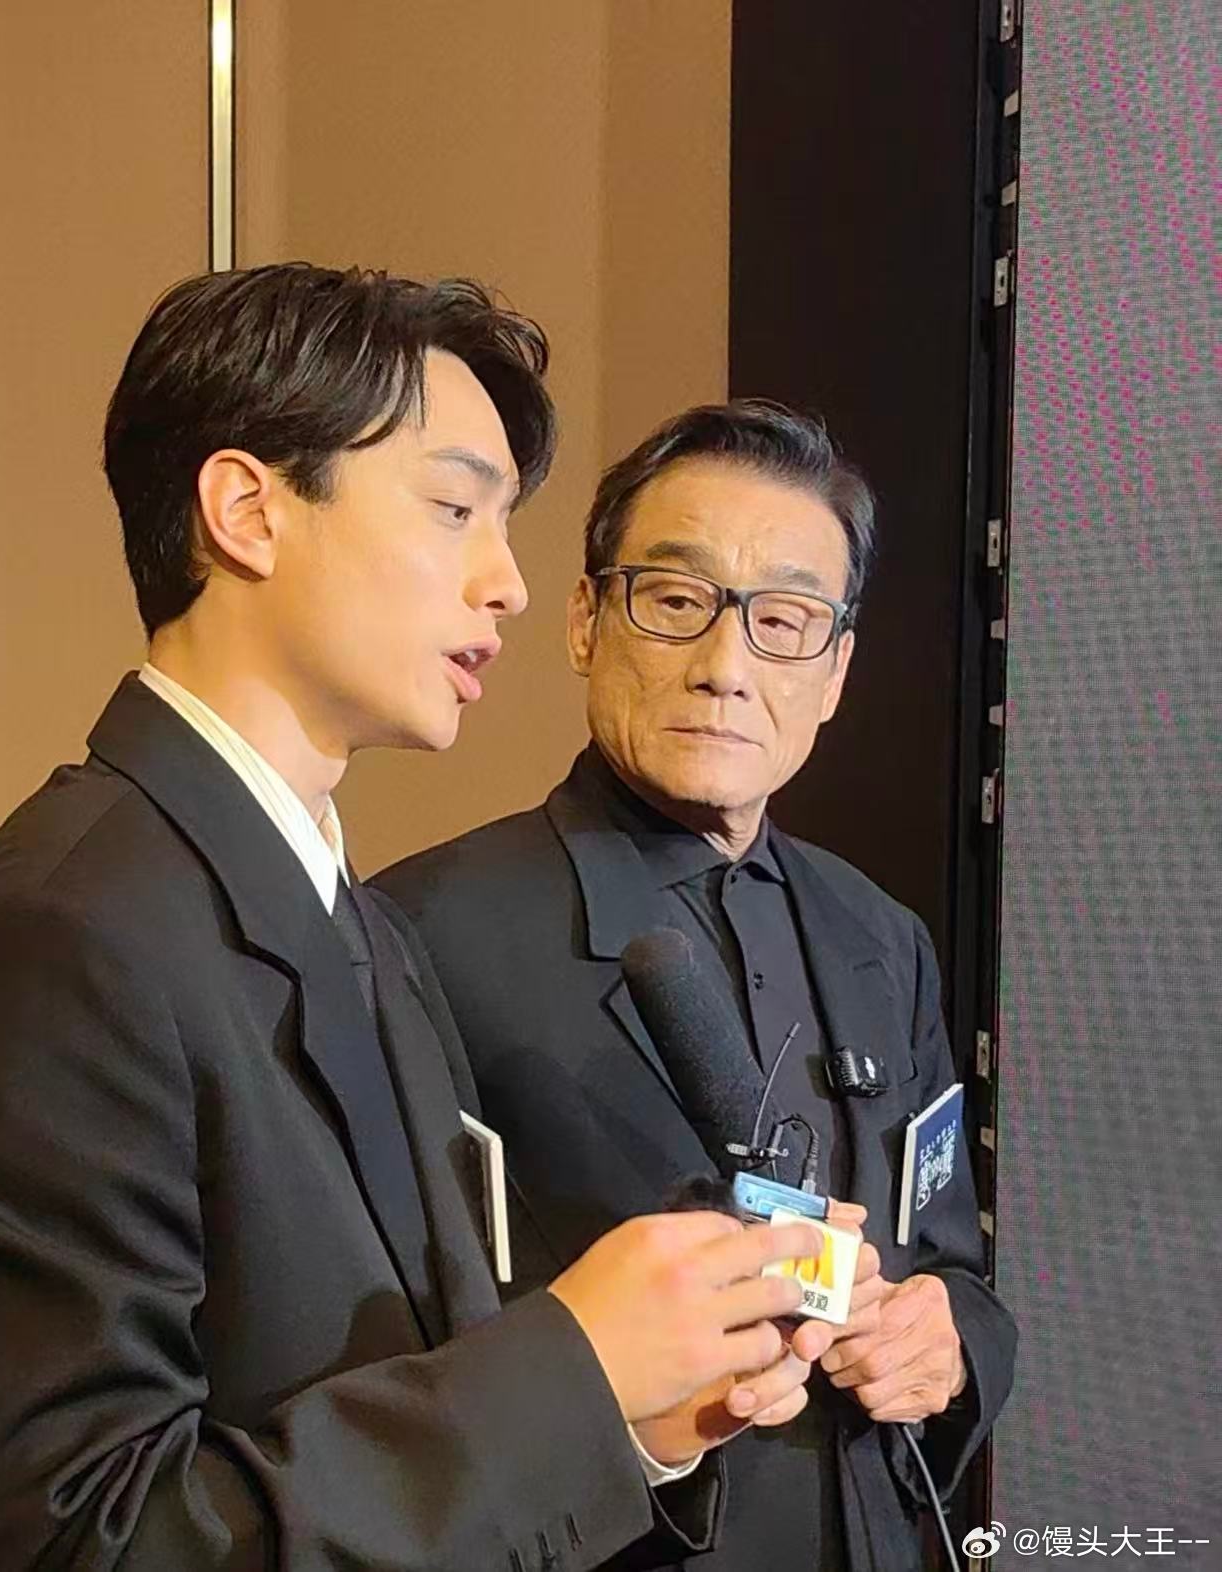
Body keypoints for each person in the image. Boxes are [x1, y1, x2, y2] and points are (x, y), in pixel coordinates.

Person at [0, 272, 841, 1571]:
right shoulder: (66, 926)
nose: (508, 584)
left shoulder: (355, 923)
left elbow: (422, 1366)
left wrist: (635, 1421)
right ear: (247, 510)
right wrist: (573, 1375)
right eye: (453, 508)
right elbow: (66, 1538)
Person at [374, 401, 1019, 1572]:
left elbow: (947, 1259)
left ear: (834, 671)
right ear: (584, 620)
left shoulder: (882, 937)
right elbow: (389, 1360)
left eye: (783, 622)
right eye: (674, 603)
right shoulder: (416, 933)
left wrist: (949, 1341)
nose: (725, 668)